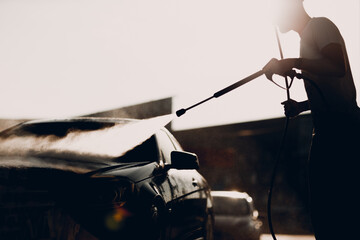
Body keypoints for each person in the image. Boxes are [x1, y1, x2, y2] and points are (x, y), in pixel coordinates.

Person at [262, 0, 360, 239]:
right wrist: (301, 106)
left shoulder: (320, 26)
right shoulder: (306, 39)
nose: (275, 20)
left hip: (343, 133)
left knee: (339, 213)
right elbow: (330, 88)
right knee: (326, 212)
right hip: (328, 133)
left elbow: (336, 66)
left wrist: (294, 63)